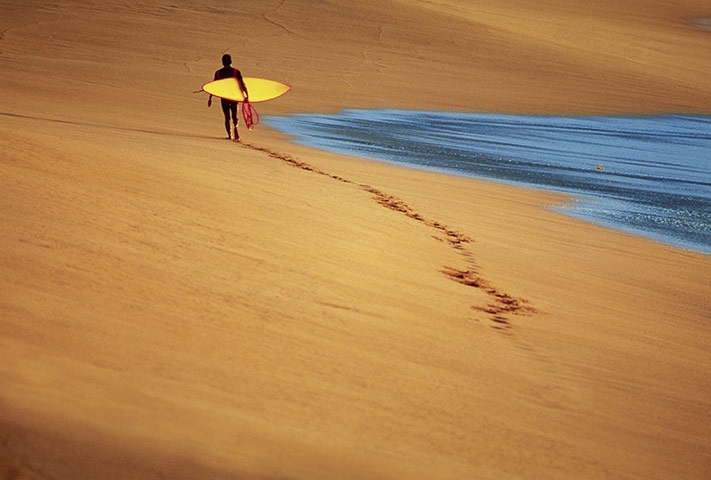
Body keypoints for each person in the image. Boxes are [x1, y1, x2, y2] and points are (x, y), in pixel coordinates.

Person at [208, 54, 249, 141]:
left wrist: (210, 98)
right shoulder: (235, 71)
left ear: (223, 62)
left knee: (227, 117)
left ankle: (230, 135)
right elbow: (242, 84)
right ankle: (236, 128)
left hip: (224, 98)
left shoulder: (218, 73)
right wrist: (246, 95)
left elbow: (213, 86)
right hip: (234, 96)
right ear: (231, 61)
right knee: (235, 115)